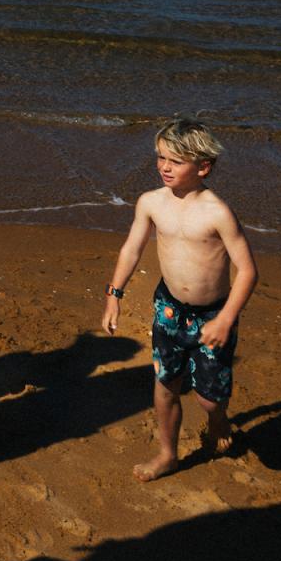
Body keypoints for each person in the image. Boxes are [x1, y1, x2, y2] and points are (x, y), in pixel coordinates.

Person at [100, 118, 259, 481]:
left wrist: (225, 320)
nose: (164, 167)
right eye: (160, 157)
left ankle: (218, 420)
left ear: (203, 166)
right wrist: (114, 295)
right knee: (165, 384)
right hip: (168, 309)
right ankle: (167, 454)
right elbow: (132, 249)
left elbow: (248, 271)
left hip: (213, 314)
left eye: (175, 160)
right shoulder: (151, 202)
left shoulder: (217, 212)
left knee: (209, 398)